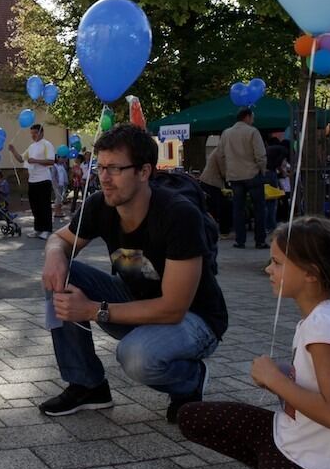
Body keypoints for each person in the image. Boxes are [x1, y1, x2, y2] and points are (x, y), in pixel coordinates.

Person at [179, 216, 330, 469]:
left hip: (320, 466)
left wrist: (275, 380)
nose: (268, 269)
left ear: (311, 273)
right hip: (289, 436)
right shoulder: (322, 317)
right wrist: (284, 375)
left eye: (277, 262)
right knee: (190, 417)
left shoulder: (324, 325)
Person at [39, 124, 227, 422]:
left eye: (115, 169)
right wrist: (53, 256)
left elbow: (173, 308)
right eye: (100, 167)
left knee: (134, 356)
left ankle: (189, 381)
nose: (103, 178)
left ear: (144, 172)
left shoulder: (179, 215)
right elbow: (59, 239)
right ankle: (88, 385)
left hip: (194, 319)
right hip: (134, 300)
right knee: (62, 275)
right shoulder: (101, 204)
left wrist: (93, 310)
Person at [217, 108, 268, 250]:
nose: (253, 120)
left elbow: (220, 155)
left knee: (238, 209)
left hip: (234, 175)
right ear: (247, 117)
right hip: (252, 174)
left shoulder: (226, 133)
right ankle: (260, 240)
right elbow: (260, 154)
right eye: (252, 117)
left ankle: (240, 241)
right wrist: (262, 169)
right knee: (259, 209)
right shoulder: (252, 132)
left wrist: (225, 172)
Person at [8, 123, 55, 240]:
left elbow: (51, 161)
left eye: (36, 133)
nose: (33, 135)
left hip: (43, 179)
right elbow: (21, 159)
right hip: (32, 180)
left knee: (44, 205)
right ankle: (38, 229)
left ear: (41, 133)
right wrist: (13, 150)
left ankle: (46, 229)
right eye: (32, 133)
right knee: (35, 206)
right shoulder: (31, 147)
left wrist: (36, 161)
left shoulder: (47, 145)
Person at [199, 146, 232, 237]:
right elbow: (224, 171)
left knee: (215, 207)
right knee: (221, 207)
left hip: (209, 182)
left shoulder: (219, 150)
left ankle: (219, 231)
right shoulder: (221, 152)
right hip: (212, 182)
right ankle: (223, 232)